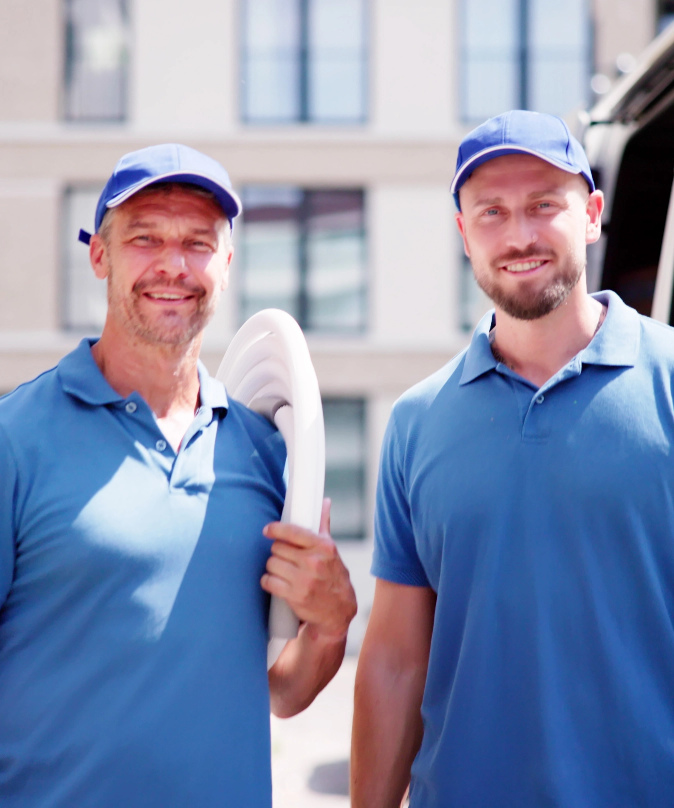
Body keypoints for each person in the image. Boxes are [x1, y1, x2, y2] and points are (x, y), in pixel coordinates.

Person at [0, 143, 356, 806]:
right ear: (99, 256)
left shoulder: (264, 451)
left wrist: (332, 624)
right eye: (145, 239)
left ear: (226, 263)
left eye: (198, 242)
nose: (173, 264)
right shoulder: (15, 441)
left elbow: (282, 689)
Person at [351, 110, 674, 807]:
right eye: (491, 212)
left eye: (542, 206)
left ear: (591, 215)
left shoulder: (671, 380)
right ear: (463, 233)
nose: (519, 235)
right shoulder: (416, 422)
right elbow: (396, 660)